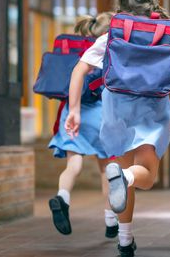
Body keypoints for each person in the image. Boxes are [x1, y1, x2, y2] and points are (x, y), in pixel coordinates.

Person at [64, 0, 170, 256]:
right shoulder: (167, 34)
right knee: (143, 175)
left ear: (121, 3)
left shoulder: (112, 34)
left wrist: (74, 110)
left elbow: (79, 70)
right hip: (152, 110)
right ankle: (125, 177)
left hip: (116, 110)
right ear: (153, 0)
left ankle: (124, 240)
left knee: (122, 175)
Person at [48, 12, 120, 238]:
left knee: (73, 165)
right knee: (105, 169)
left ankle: (62, 197)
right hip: (100, 114)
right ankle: (111, 221)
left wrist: (74, 109)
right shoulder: (106, 48)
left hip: (73, 111)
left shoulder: (77, 50)